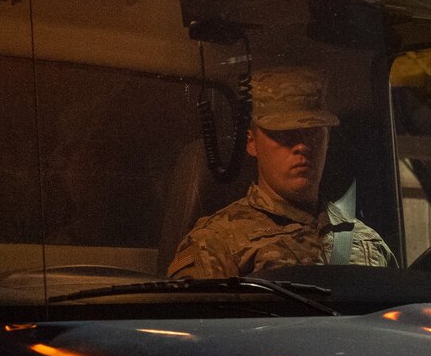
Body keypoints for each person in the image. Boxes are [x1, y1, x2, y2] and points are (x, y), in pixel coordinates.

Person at [168, 67, 397, 278]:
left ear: (328, 139)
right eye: (285, 134)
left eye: (313, 133)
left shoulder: (368, 243)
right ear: (252, 142)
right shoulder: (216, 243)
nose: (302, 146)